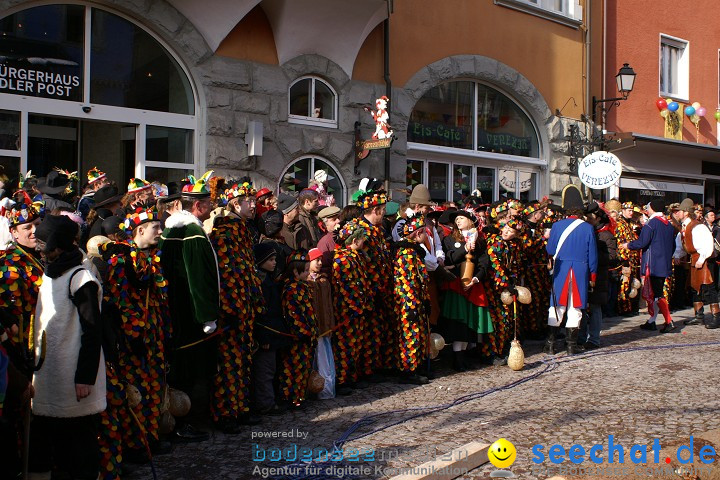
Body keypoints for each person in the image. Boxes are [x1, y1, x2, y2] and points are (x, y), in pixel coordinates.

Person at [29, 215, 105, 480]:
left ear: (57, 245)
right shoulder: (52, 271)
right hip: (50, 372)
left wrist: (84, 377)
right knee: (49, 437)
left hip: (74, 374)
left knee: (78, 443)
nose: (37, 246)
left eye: (42, 241)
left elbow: (92, 330)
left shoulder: (80, 278)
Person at [158, 171, 219, 442]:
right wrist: (207, 315)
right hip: (191, 314)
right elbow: (198, 277)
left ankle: (180, 421)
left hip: (175, 308)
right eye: (208, 203)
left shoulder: (171, 228)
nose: (212, 207)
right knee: (192, 370)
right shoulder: (192, 231)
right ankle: (188, 422)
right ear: (198, 205)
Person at [204, 180, 265, 433]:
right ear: (235, 204)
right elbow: (227, 273)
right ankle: (226, 413)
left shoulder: (242, 228)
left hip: (245, 305)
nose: (254, 205)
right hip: (232, 308)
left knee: (243, 359)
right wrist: (230, 308)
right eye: (249, 201)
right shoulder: (225, 230)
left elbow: (246, 269)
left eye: (253, 200)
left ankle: (240, 408)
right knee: (229, 362)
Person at [545, 188, 597, 355]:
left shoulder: (557, 225)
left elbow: (550, 249)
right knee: (575, 307)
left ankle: (551, 344)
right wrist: (593, 275)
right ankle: (570, 346)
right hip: (581, 269)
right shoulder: (588, 228)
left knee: (557, 305)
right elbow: (593, 255)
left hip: (561, 268)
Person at [440, 210, 491, 371]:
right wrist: (465, 248)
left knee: (469, 321)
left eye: (461, 218)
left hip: (473, 285)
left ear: (470, 221)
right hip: (456, 284)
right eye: (456, 219)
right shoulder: (449, 239)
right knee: (458, 322)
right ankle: (457, 358)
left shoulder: (480, 241)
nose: (458, 221)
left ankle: (464, 355)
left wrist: (476, 278)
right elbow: (450, 259)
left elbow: (484, 264)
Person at [623, 200, 677, 332]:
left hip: (653, 264)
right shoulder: (669, 225)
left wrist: (628, 245)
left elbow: (642, 242)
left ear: (652, 208)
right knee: (655, 294)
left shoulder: (651, 223)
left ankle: (668, 321)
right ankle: (652, 320)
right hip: (664, 263)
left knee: (657, 294)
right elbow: (674, 246)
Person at [332, 221, 370, 395]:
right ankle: (342, 380)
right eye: (362, 238)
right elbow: (342, 287)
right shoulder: (341, 259)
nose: (364, 242)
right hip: (347, 311)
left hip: (359, 308)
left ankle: (351, 377)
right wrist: (353, 306)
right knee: (344, 346)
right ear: (354, 240)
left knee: (355, 345)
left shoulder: (356, 256)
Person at [393, 215, 431, 385]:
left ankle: (417, 365)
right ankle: (408, 370)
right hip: (409, 302)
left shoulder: (414, 251)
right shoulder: (406, 253)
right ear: (417, 234)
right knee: (410, 334)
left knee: (418, 334)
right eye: (425, 232)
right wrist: (410, 305)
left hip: (417, 299)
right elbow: (406, 281)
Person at [252, 243, 289, 415]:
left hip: (273, 333)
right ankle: (265, 403)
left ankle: (269, 400)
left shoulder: (268, 279)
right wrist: (264, 338)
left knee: (271, 369)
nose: (274, 263)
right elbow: (262, 314)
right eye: (271, 259)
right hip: (267, 334)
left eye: (275, 259)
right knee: (265, 371)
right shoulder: (262, 283)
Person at [279, 252, 318, 409]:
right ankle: (289, 398)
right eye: (305, 270)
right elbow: (293, 313)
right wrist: (302, 332)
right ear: (295, 271)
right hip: (297, 337)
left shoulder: (303, 286)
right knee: (292, 368)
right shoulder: (291, 289)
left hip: (308, 336)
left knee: (304, 368)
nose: (308, 272)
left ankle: (300, 397)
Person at [676, 198, 720, 329]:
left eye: (680, 211)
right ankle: (699, 316)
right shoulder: (684, 227)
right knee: (695, 287)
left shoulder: (698, 226)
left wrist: (702, 259)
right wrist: (677, 255)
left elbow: (707, 243)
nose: (677, 213)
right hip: (695, 259)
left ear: (686, 212)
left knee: (709, 287)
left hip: (704, 260)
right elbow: (682, 243)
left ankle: (716, 317)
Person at [581, 203, 614, 349]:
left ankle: (594, 339)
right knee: (581, 307)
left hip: (599, 276)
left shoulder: (606, 234)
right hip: (584, 273)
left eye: (589, 216)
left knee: (595, 308)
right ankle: (581, 337)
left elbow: (612, 256)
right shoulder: (587, 231)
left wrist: (593, 254)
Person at [615, 202, 641, 316]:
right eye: (629, 210)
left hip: (633, 259)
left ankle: (632, 307)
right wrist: (624, 259)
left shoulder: (631, 224)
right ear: (623, 210)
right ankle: (624, 308)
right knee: (624, 284)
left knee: (633, 284)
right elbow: (620, 243)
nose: (631, 213)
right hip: (625, 260)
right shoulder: (620, 224)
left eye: (632, 211)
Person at [317, 206, 342, 276]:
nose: (338, 221)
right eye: (334, 219)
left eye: (339, 218)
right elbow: (323, 267)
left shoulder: (344, 235)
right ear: (325, 224)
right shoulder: (324, 242)